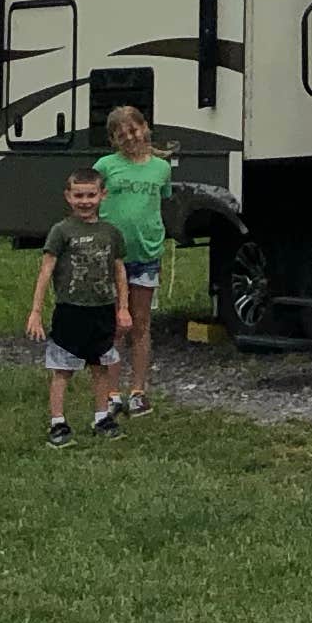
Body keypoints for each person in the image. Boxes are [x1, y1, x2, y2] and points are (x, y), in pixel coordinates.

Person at [28, 168, 128, 448]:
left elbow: (119, 271)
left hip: (102, 309)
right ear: (68, 197)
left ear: (102, 195)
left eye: (91, 195)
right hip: (70, 310)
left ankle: (101, 417)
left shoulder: (111, 233)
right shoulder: (61, 231)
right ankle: (58, 423)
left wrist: (124, 308)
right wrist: (36, 311)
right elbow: (46, 270)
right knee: (62, 368)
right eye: (79, 196)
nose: (85, 201)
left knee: (100, 365)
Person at [97, 101, 178, 415]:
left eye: (134, 130)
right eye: (121, 134)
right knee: (116, 323)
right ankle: (112, 392)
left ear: (145, 129)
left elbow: (162, 201)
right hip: (112, 256)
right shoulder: (105, 166)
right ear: (113, 140)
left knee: (141, 323)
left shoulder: (161, 168)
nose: (129, 137)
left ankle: (138, 389)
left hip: (146, 253)